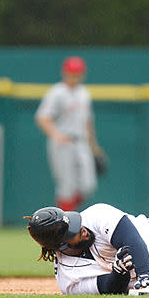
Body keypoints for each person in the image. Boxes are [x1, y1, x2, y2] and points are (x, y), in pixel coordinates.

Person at [35, 56, 106, 211]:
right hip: (63, 142)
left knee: (88, 184)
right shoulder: (57, 92)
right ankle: (64, 225)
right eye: (72, 73)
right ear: (65, 73)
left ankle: (68, 214)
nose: (75, 77)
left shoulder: (84, 93)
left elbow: (87, 122)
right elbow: (42, 117)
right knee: (66, 186)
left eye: (77, 73)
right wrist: (56, 135)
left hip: (81, 141)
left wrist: (94, 147)